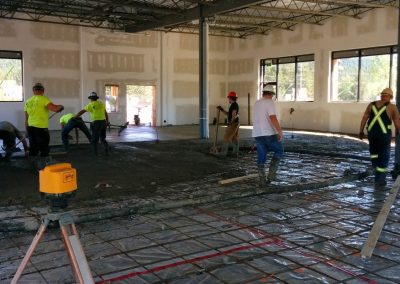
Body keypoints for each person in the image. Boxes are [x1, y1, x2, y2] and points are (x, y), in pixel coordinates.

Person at [359, 87, 400, 186]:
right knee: (384, 155)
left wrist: (360, 131)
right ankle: (380, 180)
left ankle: (374, 165)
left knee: (373, 151)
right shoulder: (392, 107)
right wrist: (398, 131)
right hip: (384, 134)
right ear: (390, 97)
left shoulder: (371, 104)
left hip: (372, 133)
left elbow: (364, 118)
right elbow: (397, 122)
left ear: (382, 95)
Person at [252, 84, 284, 187]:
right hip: (268, 133)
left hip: (257, 134)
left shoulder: (257, 103)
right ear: (271, 94)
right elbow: (273, 118)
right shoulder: (270, 102)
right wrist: (280, 131)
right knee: (279, 150)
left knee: (261, 157)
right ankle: (271, 175)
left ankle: (262, 180)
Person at [24, 83, 63, 159]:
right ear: (43, 91)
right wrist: (61, 106)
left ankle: (32, 163)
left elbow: (26, 119)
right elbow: (54, 108)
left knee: (33, 147)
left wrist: (27, 131)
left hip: (30, 127)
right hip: (41, 128)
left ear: (33, 91)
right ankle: (44, 165)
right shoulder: (43, 99)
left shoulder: (28, 101)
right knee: (44, 148)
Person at [217, 91, 240, 156]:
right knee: (235, 138)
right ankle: (235, 153)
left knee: (226, 137)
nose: (228, 99)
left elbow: (234, 114)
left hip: (233, 124)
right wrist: (221, 109)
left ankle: (223, 153)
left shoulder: (234, 105)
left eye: (228, 98)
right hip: (236, 123)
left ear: (230, 98)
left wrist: (230, 122)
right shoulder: (234, 105)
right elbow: (228, 114)